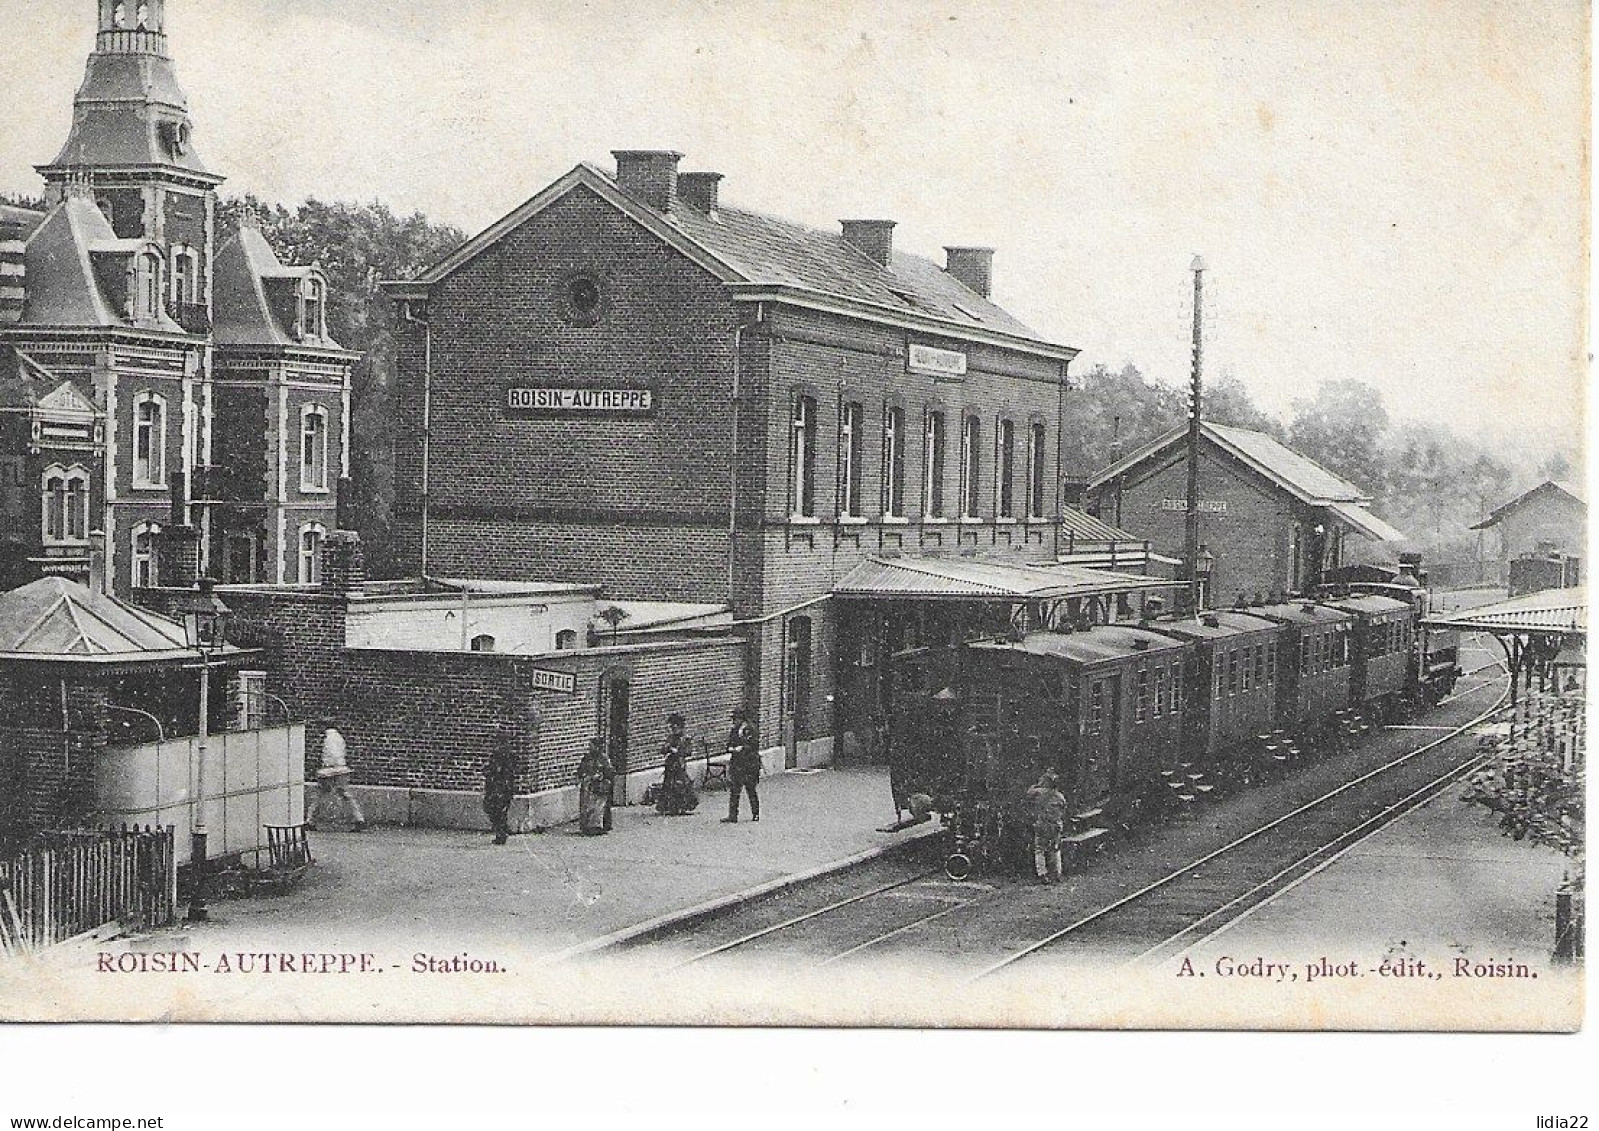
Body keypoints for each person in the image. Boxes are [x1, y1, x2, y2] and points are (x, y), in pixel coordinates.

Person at [308, 725, 365, 832]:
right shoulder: (340, 738)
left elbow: (326, 755)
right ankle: (359, 818)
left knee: (320, 795)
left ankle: (310, 820)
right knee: (345, 794)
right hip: (341, 769)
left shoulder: (325, 739)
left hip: (327, 770)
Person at [1025, 769, 1069, 884]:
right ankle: (1057, 874)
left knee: (1039, 849)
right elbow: (1064, 810)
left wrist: (1037, 784)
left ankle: (1042, 874)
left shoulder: (1039, 793)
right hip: (1056, 825)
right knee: (1055, 849)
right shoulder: (1060, 796)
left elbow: (1029, 792)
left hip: (1043, 825)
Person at [655, 713, 699, 815]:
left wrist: (678, 752)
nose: (674, 729)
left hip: (679, 764)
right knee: (669, 784)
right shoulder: (670, 738)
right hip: (670, 764)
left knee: (681, 785)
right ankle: (670, 807)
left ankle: (682, 806)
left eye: (676, 726)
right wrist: (667, 748)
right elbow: (663, 749)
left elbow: (688, 751)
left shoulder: (685, 738)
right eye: (672, 727)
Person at [721, 707, 760, 823]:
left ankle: (755, 813)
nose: (734, 722)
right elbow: (729, 744)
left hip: (749, 763)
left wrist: (742, 748)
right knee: (735, 790)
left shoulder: (750, 729)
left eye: (736, 719)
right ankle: (732, 815)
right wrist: (730, 748)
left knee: (751, 789)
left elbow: (754, 745)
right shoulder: (734, 730)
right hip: (737, 763)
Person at [577, 737, 614, 835]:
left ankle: (597, 827)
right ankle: (586, 826)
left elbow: (609, 771)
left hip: (599, 785)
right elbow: (580, 770)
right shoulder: (587, 757)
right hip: (588, 785)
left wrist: (601, 776)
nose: (590, 748)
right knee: (586, 806)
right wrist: (583, 776)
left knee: (598, 806)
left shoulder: (603, 758)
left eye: (592, 746)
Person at [483, 746, 515, 845]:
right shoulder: (506, 763)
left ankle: (501, 834)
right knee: (498, 811)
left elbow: (490, 774)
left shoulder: (501, 765)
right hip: (499, 791)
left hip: (498, 792)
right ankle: (502, 830)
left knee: (496, 811)